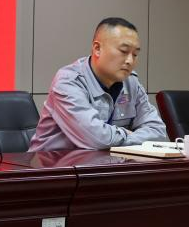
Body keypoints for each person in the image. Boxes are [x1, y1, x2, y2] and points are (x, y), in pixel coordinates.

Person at [28, 17, 167, 151]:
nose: (130, 61)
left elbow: (158, 132)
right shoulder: (68, 82)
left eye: (135, 54)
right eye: (124, 51)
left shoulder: (131, 82)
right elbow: (97, 139)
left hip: (105, 163)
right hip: (54, 164)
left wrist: (120, 137)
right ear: (97, 49)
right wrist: (128, 135)